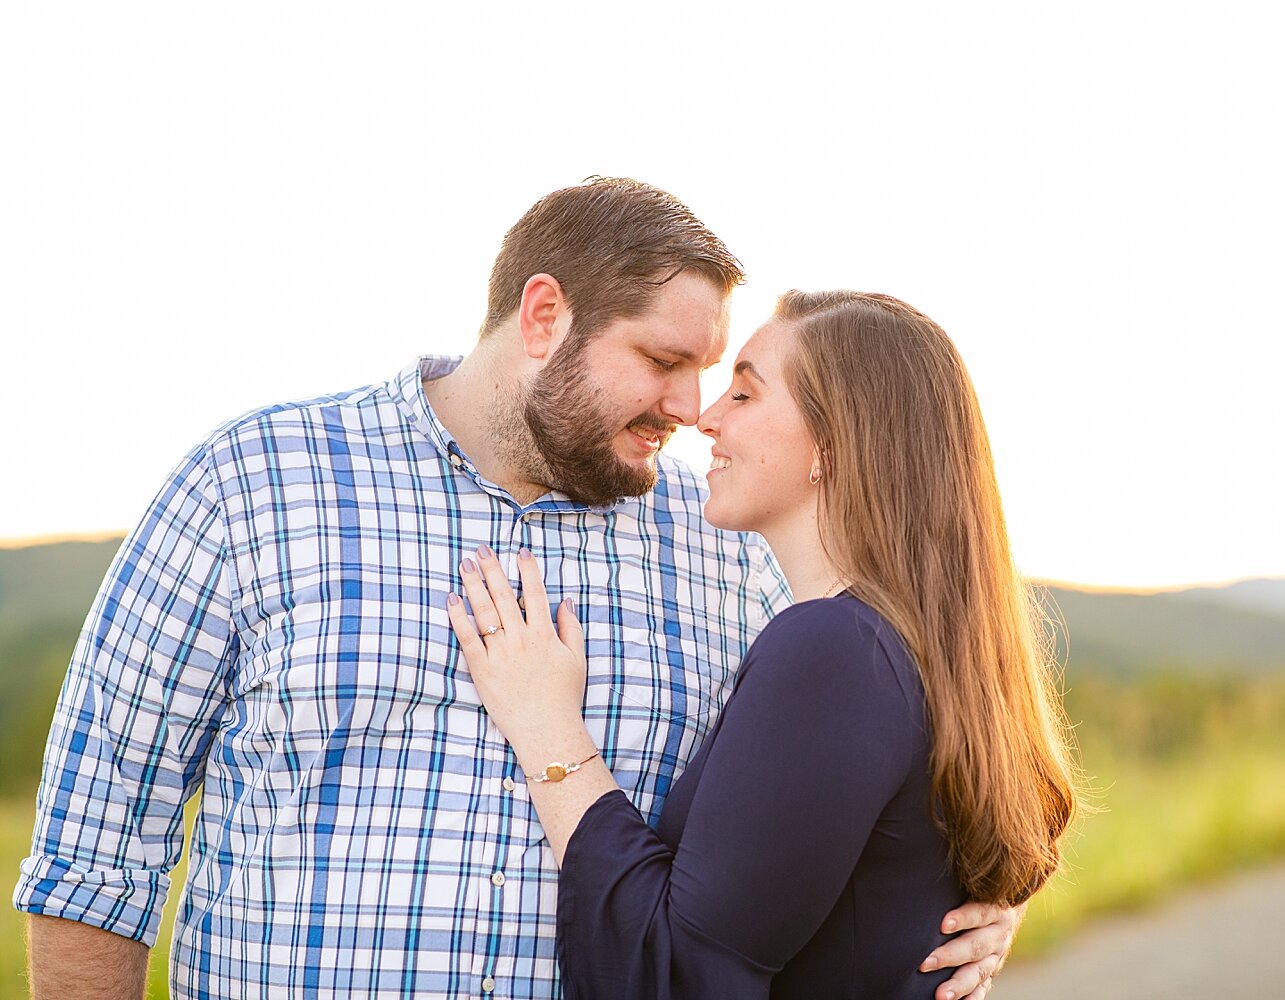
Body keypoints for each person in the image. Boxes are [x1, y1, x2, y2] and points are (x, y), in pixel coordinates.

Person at [17, 179, 1020, 999]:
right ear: (545, 316)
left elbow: (888, 755)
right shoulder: (252, 483)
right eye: (665, 362)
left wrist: (963, 908)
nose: (691, 408)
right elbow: (98, 849)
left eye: (715, 374)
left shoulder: (729, 549)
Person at [447, 289, 1080, 997]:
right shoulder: (899, 644)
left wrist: (547, 731)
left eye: (744, 395)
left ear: (835, 441)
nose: (706, 419)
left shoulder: (834, 648)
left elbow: (681, 973)